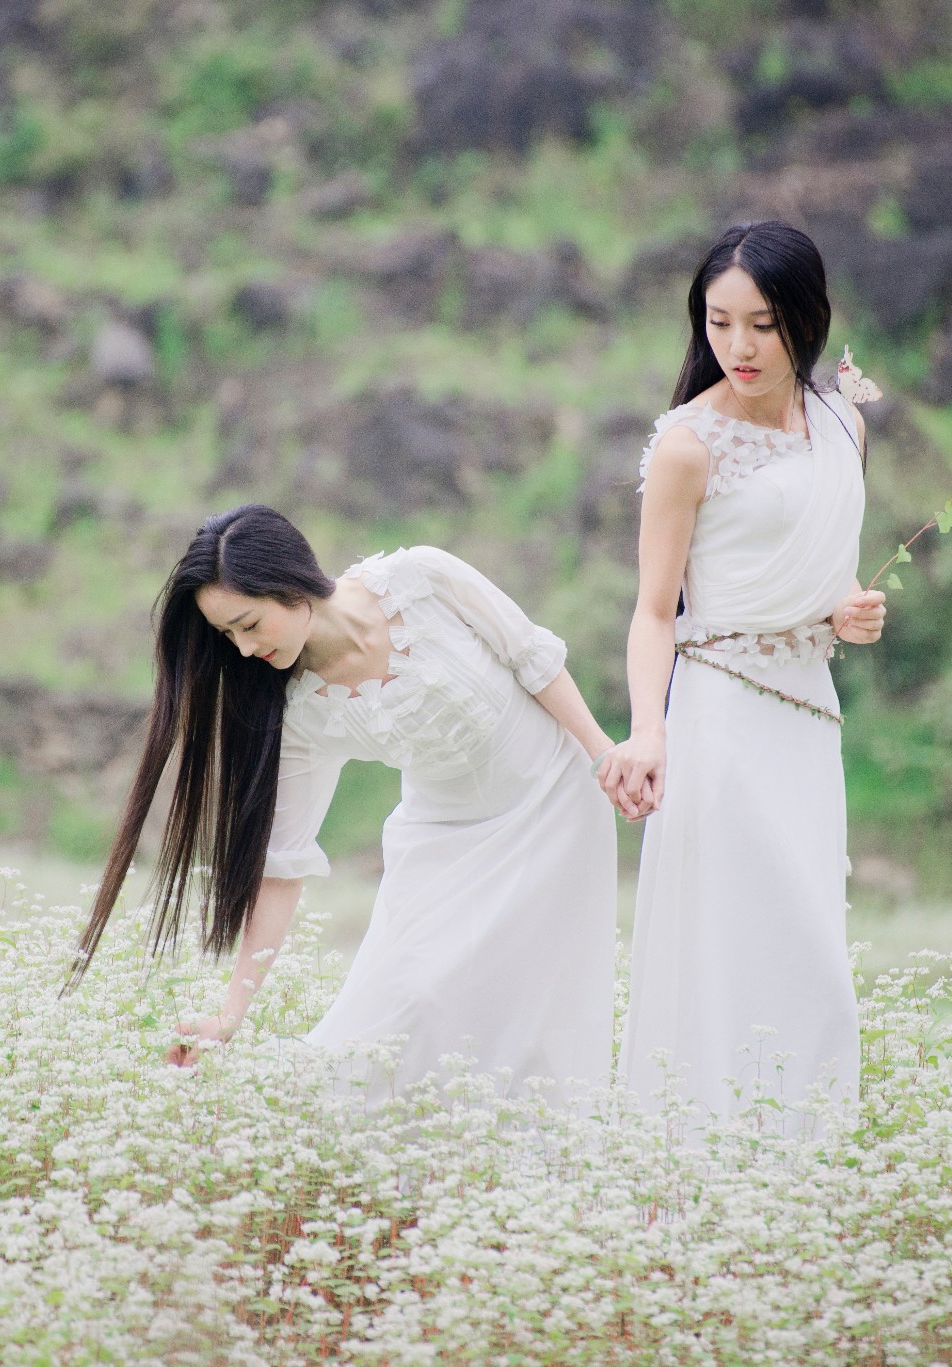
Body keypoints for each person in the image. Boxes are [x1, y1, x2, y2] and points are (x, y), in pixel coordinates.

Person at [73, 504, 626, 1098]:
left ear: (290, 586)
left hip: (556, 801)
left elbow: (532, 659)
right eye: (227, 635)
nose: (240, 649)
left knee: (538, 1004)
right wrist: (228, 1018)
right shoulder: (298, 709)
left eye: (249, 624)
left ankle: (534, 1160)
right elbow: (281, 866)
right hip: (443, 841)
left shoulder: (422, 580)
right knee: (410, 1001)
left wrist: (604, 756)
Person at [596, 220, 887, 1128]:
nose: (739, 347)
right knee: (729, 946)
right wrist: (650, 731)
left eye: (761, 323)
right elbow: (655, 609)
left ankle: (803, 1165)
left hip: (807, 715)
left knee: (809, 952)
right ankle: (699, 1169)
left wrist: (846, 607)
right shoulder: (688, 444)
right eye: (719, 323)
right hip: (718, 715)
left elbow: (819, 565)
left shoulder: (843, 420)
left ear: (805, 316)